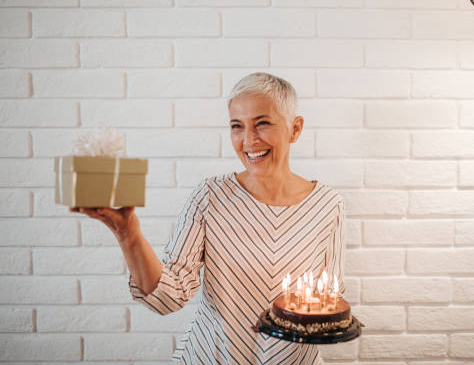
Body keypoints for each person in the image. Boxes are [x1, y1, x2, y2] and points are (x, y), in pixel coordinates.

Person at [72, 72, 347, 364]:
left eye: (262, 123)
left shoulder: (329, 206)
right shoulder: (209, 197)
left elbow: (329, 301)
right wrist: (129, 234)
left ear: (295, 128)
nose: (248, 140)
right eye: (236, 127)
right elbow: (169, 297)